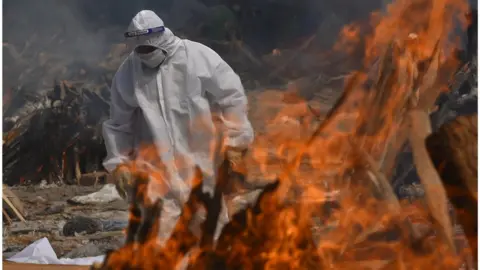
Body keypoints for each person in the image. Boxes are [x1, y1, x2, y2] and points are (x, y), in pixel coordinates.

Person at [102, 10, 254, 243]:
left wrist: (236, 141)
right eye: (139, 49)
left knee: (213, 234)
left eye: (148, 49)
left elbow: (231, 96)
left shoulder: (197, 57)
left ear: (161, 40)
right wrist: (119, 163)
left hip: (199, 164)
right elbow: (119, 123)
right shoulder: (129, 71)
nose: (144, 54)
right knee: (159, 241)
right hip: (156, 171)